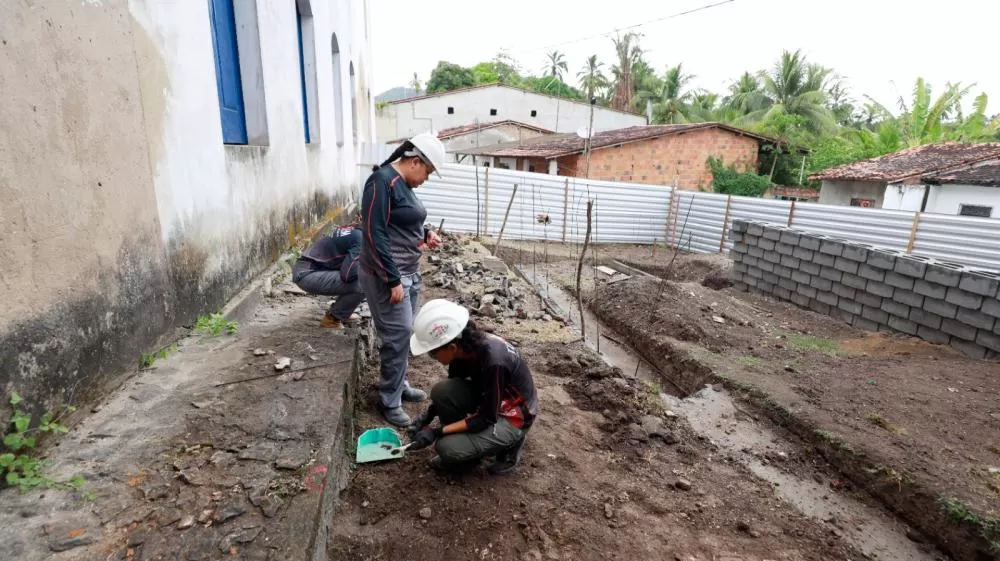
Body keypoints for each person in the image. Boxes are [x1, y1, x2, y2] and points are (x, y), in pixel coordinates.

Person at [360, 132, 447, 427]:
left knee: (406, 333)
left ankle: (399, 383)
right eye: (428, 172)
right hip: (389, 275)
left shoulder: (403, 185)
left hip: (409, 271)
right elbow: (375, 232)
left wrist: (426, 234)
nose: (426, 178)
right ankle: (389, 399)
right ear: (414, 162)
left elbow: (404, 219)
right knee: (397, 338)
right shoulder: (381, 182)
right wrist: (391, 279)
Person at [406, 299, 538, 476]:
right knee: (442, 392)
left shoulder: (494, 362)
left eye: (433, 352)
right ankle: (470, 452)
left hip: (515, 415)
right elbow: (453, 388)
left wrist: (437, 432)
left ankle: (511, 443)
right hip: (492, 397)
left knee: (447, 448)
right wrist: (426, 418)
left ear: (452, 347)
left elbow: (486, 418)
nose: (431, 356)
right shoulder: (464, 349)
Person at [292, 226, 365, 328]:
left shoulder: (357, 232)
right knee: (364, 282)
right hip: (307, 274)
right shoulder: (362, 240)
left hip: (308, 268)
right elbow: (347, 275)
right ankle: (332, 319)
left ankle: (343, 312)